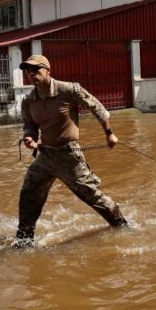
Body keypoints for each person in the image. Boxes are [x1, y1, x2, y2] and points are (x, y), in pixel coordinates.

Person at [15, 55, 127, 247]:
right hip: (45, 156)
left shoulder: (68, 90)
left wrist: (109, 133)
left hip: (69, 156)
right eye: (27, 71)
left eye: (35, 70)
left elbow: (97, 107)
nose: (31, 74)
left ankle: (122, 225)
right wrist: (30, 138)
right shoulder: (28, 100)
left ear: (48, 70)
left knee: (91, 195)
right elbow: (29, 125)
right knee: (28, 194)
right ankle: (24, 242)